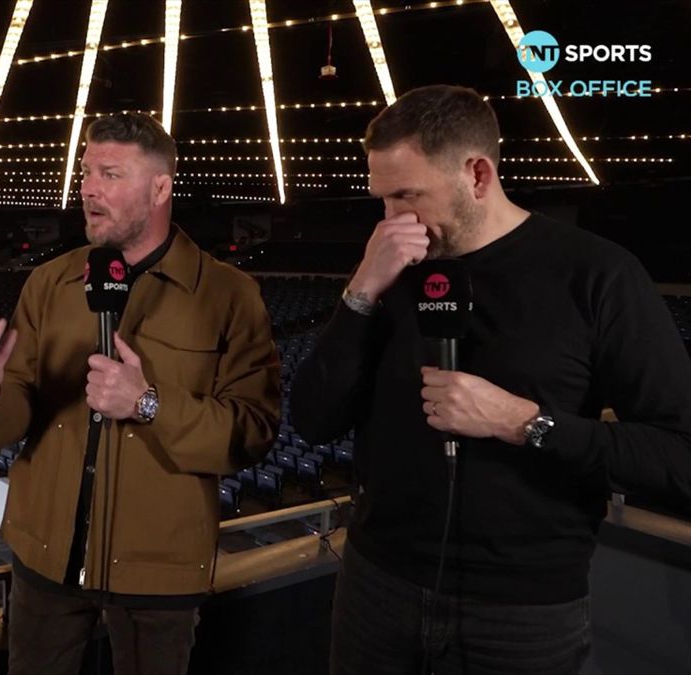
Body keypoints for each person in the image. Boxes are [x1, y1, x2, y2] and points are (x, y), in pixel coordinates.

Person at [290, 84, 691, 675]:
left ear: (477, 175)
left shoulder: (598, 275)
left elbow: (677, 456)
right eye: (383, 199)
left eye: (407, 195)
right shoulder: (391, 268)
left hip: (521, 610)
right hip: (377, 582)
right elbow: (313, 419)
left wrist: (525, 422)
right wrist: (362, 289)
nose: (391, 220)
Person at [0, 112, 281, 675]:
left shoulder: (229, 294)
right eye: (86, 173)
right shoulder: (48, 283)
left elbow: (253, 431)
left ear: (160, 188)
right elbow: (12, 420)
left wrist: (148, 404)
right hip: (44, 556)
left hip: (158, 569)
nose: (88, 189)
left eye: (110, 174)